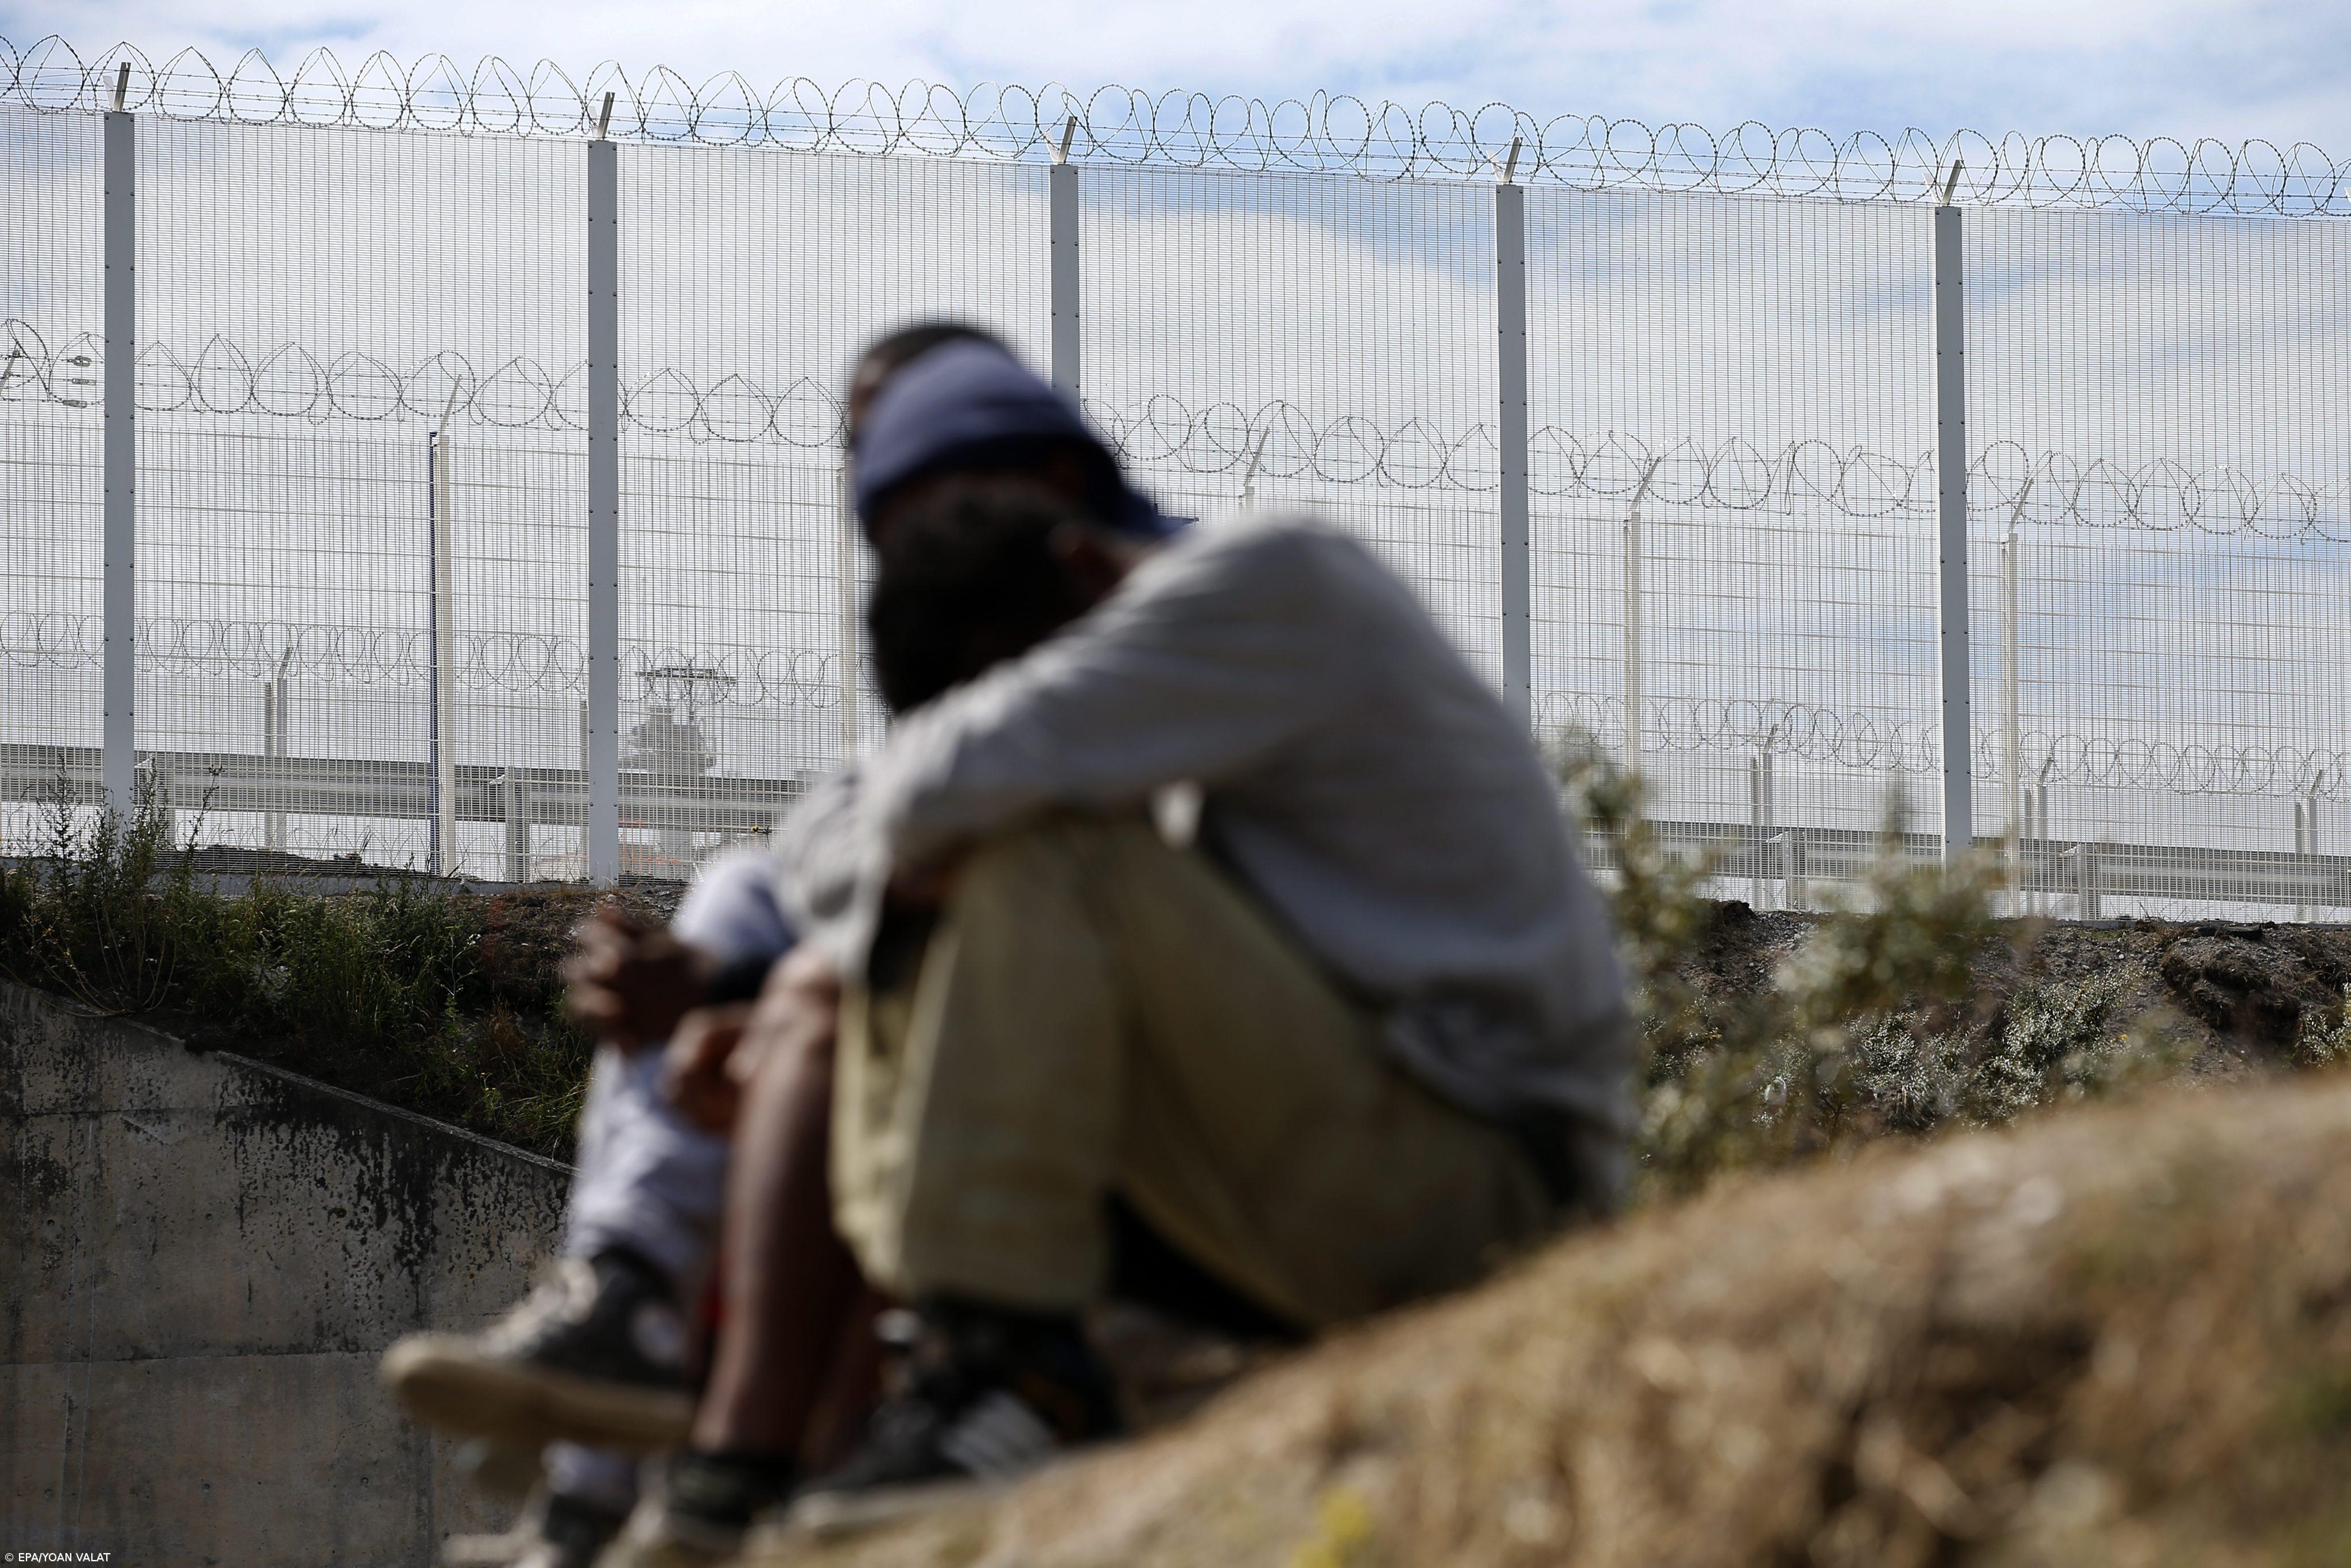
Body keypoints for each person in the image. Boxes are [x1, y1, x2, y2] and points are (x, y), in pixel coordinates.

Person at [653, 336, 1632, 1546]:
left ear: (1068, 514)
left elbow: (914, 800)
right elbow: (836, 826)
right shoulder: (1140, 711)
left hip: (1492, 1191)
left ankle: (1009, 1367)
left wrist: (870, 889)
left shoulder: (1273, 582)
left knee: (1031, 847)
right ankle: (720, 1399)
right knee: (837, 978)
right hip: (1335, 1163)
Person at [383, 323, 1012, 1568]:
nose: (875, 496)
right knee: (729, 928)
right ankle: (615, 1378)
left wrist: (731, 982)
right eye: (860, 463)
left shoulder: (1148, 614)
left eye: (902, 453)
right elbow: (855, 829)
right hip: (992, 996)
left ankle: (618, 1391)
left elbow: (912, 836)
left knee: (761, 999)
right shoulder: (1005, 668)